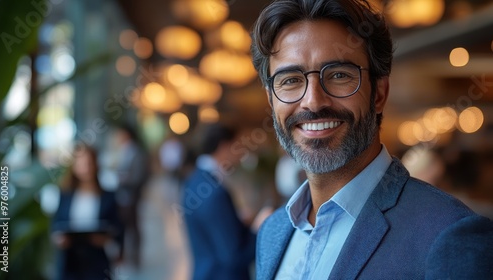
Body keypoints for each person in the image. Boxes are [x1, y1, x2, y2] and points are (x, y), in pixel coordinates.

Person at [250, 0, 493, 279]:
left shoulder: (450, 235)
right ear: (271, 100)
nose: (313, 102)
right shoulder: (272, 232)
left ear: (379, 93)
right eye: (290, 80)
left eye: (339, 75)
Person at [182, 123, 271, 280]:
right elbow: (234, 256)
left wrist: (236, 222)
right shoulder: (215, 194)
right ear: (224, 147)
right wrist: (258, 228)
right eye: (238, 146)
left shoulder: (193, 181)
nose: (241, 152)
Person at [52, 144, 124, 280]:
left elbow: (118, 228)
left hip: (97, 261)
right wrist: (59, 239)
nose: (86, 168)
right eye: (81, 164)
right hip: (70, 262)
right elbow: (56, 223)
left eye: (89, 163)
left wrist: (107, 239)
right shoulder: (65, 195)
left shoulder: (108, 197)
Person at [112, 123, 150, 268]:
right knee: (121, 226)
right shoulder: (122, 151)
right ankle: (124, 254)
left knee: (133, 226)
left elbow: (139, 176)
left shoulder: (136, 152)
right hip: (122, 195)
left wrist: (123, 179)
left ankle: (135, 256)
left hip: (132, 196)